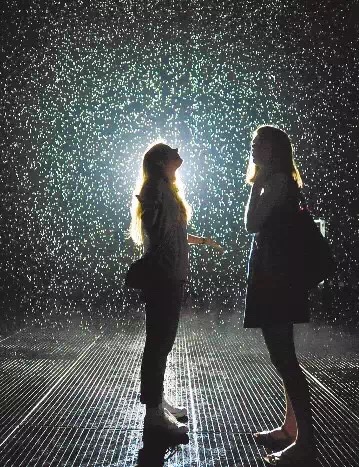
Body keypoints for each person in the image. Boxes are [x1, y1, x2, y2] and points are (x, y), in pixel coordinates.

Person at [129, 142, 222, 435]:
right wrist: (149, 207)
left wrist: (203, 241)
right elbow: (156, 230)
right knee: (158, 344)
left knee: (162, 343)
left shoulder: (166, 189)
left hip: (172, 275)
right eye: (172, 151)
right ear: (160, 162)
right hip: (163, 276)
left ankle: (157, 401)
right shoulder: (155, 189)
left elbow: (176, 231)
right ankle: (153, 413)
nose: (178, 152)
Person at [244, 126, 317, 465]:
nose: (256, 147)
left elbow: (251, 223)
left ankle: (306, 442)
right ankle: (292, 429)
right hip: (277, 279)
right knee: (284, 358)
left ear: (277, 150)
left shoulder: (275, 182)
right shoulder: (280, 181)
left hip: (277, 281)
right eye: (255, 143)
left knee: (285, 359)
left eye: (263, 143)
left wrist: (256, 182)